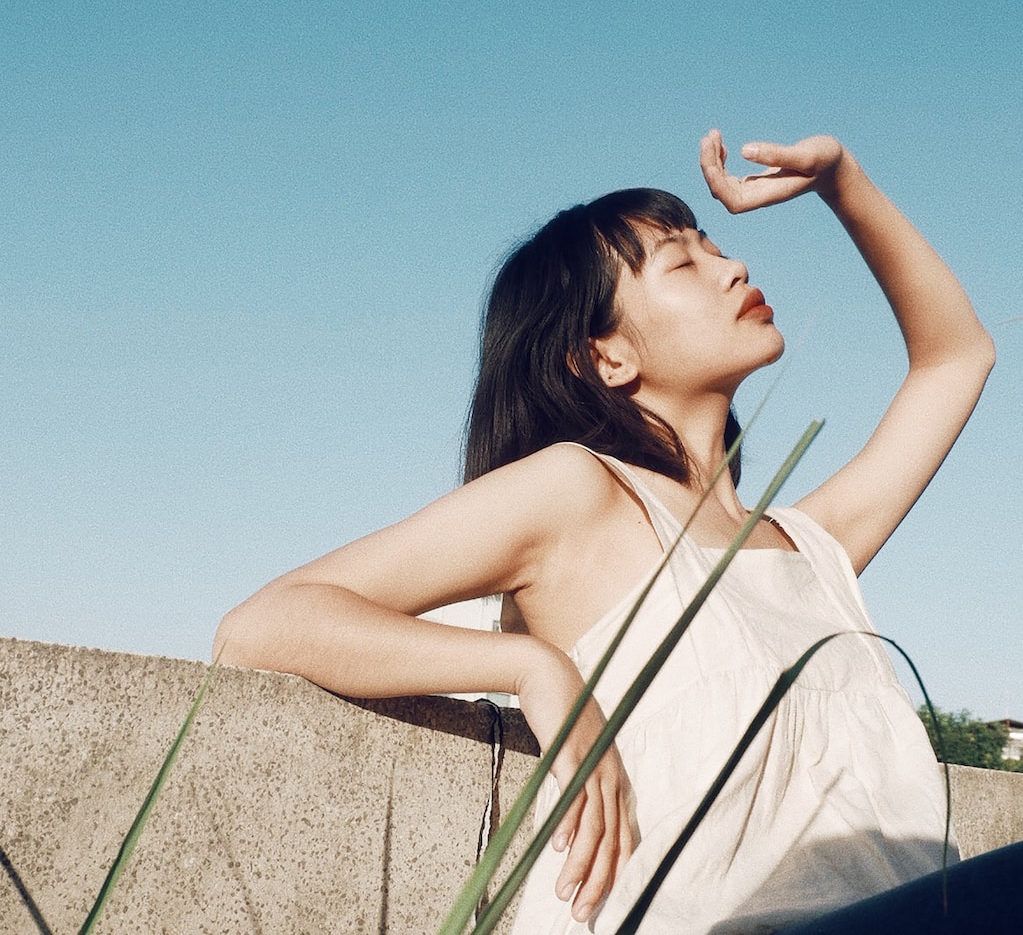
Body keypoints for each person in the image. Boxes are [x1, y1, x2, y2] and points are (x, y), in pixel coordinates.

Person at [215, 132, 998, 933]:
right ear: (606, 356)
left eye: (717, 247)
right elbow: (265, 623)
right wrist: (532, 665)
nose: (733, 269)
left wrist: (842, 182)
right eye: (682, 263)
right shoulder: (579, 492)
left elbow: (957, 358)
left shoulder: (814, 547)